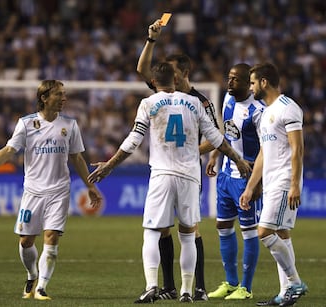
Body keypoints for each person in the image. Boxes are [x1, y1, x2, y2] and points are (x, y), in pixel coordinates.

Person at [88, 62, 252, 303]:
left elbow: (133, 140)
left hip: (162, 175)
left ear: (154, 83)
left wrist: (109, 165)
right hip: (189, 176)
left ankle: (152, 286)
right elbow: (217, 138)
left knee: (152, 232)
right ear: (175, 81)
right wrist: (238, 159)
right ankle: (187, 290)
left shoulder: (149, 103)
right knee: (188, 235)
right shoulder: (194, 103)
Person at [0, 80, 103, 301]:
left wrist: (90, 186)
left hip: (59, 190)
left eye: (64, 94)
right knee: (26, 241)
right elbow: (9, 150)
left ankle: (42, 287)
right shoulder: (26, 124)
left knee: (52, 236)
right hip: (33, 191)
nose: (64, 98)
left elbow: (77, 158)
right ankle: (32, 274)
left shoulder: (70, 125)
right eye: (59, 95)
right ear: (44, 98)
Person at [136, 18, 218, 301]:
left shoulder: (200, 101)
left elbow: (215, 135)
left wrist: (194, 152)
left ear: (183, 72)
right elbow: (142, 69)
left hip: (187, 171)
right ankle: (170, 287)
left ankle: (199, 287)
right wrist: (151, 39)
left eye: (171, 71)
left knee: (191, 229)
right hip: (167, 170)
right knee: (163, 231)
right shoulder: (162, 95)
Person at [239, 63, 308, 307]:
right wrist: (250, 187)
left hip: (283, 180)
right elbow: (263, 154)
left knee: (264, 232)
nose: (251, 87)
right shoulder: (266, 113)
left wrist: (294, 185)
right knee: (281, 234)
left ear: (264, 82)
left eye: (253, 82)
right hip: (270, 181)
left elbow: (297, 149)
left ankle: (295, 282)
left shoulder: (288, 109)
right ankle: (284, 293)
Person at [204, 63, 265, 300]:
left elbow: (266, 148)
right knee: (223, 227)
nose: (229, 83)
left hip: (246, 178)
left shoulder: (258, 111)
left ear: (247, 84)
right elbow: (225, 132)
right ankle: (231, 283)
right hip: (226, 175)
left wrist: (257, 182)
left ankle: (246, 288)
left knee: (249, 232)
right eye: (228, 78)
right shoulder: (228, 101)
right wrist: (213, 155)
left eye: (235, 79)